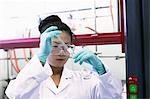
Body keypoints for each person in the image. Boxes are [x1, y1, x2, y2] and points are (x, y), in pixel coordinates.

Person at [5, 15, 122, 99]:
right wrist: (41, 58)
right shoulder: (31, 80)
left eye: (67, 46)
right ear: (43, 47)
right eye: (55, 46)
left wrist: (102, 70)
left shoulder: (84, 79)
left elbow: (113, 96)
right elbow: (15, 94)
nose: (62, 52)